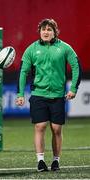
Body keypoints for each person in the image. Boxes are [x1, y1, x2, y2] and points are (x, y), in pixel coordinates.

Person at [16, 18, 81, 172]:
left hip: (58, 95)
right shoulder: (31, 49)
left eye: (49, 30)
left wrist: (73, 89)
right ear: (39, 32)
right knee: (40, 126)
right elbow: (23, 72)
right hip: (39, 94)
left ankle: (56, 161)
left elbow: (76, 66)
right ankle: (40, 161)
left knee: (57, 129)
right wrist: (20, 94)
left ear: (54, 32)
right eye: (43, 29)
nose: (46, 32)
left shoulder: (65, 48)